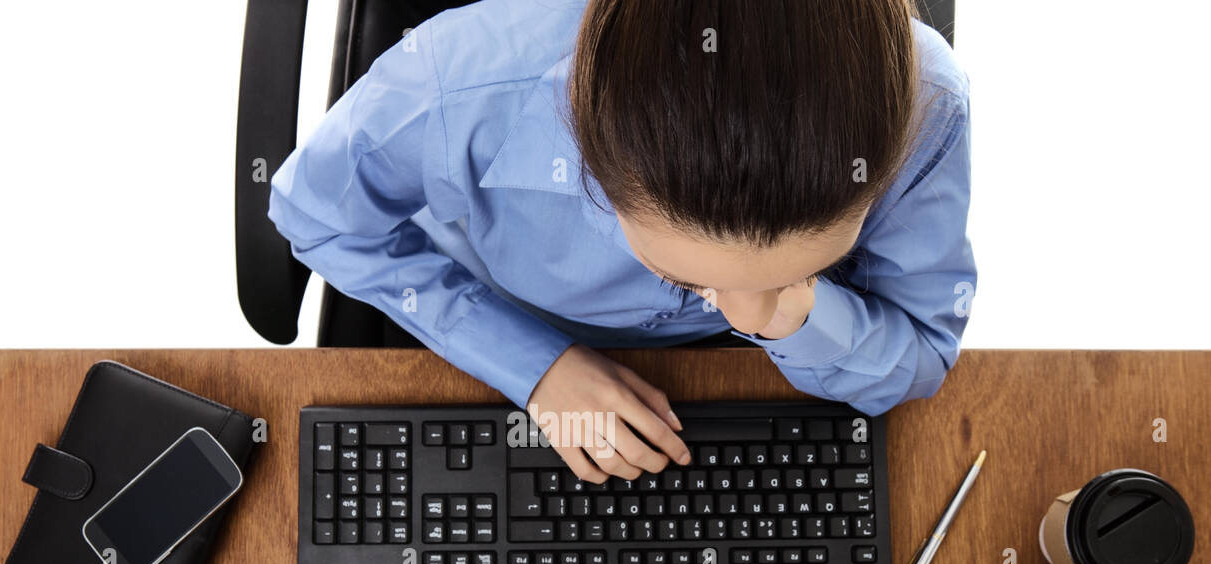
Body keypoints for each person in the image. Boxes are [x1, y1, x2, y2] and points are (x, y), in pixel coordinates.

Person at [269, 0, 974, 482]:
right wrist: (535, 367)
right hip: (507, 309)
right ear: (587, 151)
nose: (735, 310)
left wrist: (793, 310)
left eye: (801, 260)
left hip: (745, 378)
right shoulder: (457, 86)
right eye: (685, 274)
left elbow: (922, 345)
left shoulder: (930, 103)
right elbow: (315, 214)